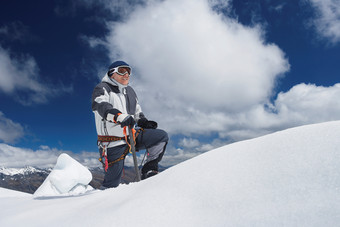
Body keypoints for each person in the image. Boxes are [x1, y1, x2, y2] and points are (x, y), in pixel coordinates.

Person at [91, 60, 168, 188]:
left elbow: (137, 112)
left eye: (129, 71)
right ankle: (102, 204)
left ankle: (148, 170)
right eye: (122, 71)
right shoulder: (102, 88)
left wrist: (143, 121)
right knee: (112, 185)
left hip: (131, 135)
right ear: (111, 74)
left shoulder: (130, 91)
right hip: (112, 142)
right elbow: (100, 105)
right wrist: (119, 116)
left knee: (161, 137)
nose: (126, 74)